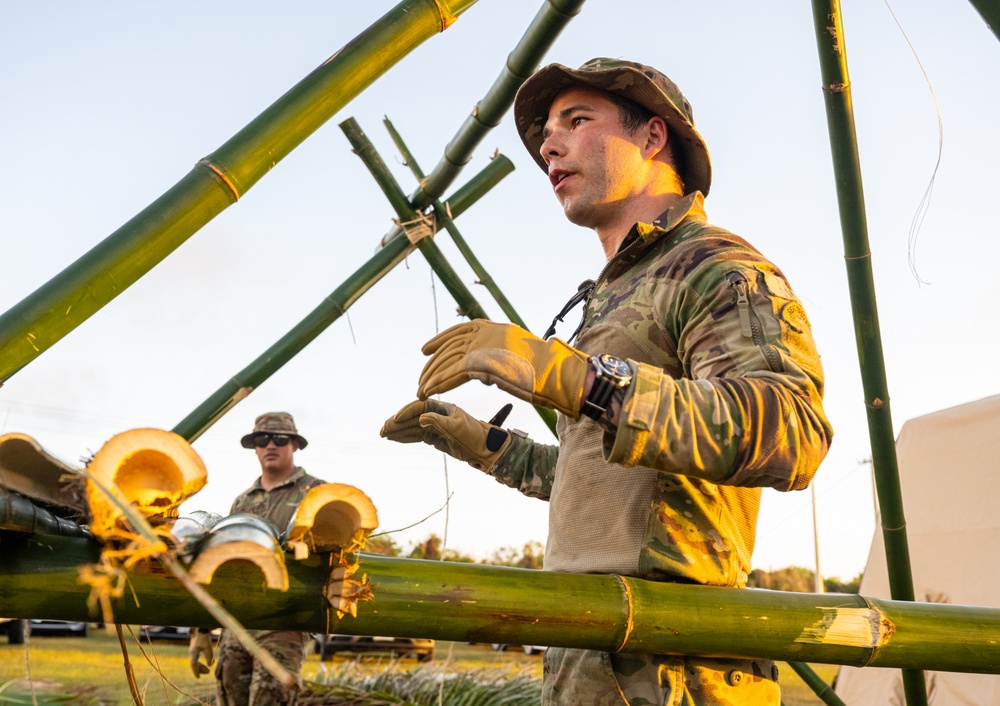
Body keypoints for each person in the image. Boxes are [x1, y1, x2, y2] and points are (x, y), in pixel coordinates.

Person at [381, 58, 833, 704]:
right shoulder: (614, 294)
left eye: (576, 120)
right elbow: (602, 477)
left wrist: (574, 379)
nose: (548, 145)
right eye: (545, 135)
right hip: (587, 646)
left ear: (652, 138)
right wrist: (482, 445)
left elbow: (792, 431)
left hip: (674, 665)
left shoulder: (716, 267)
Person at [189, 411, 324, 706]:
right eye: (262, 439)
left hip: (285, 619)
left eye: (279, 439)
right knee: (230, 696)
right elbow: (223, 564)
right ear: (255, 446)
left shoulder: (317, 493)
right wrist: (201, 631)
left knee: (271, 697)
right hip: (238, 623)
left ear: (294, 445)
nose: (270, 445)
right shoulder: (242, 501)